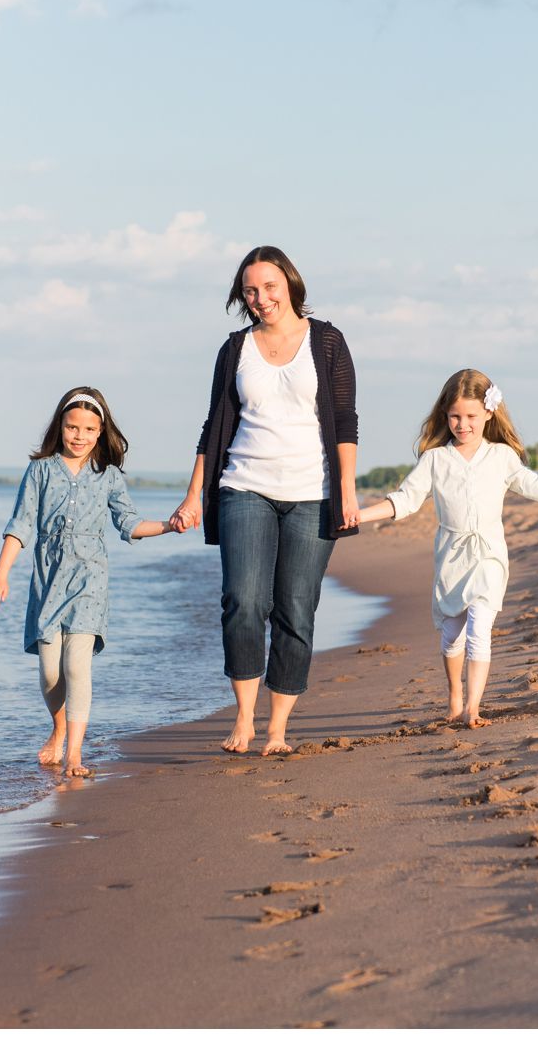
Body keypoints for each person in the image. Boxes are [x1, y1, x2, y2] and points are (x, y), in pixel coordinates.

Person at [172, 246, 359, 756]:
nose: (261, 298)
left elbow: (344, 420)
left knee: (297, 609)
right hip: (244, 486)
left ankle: (277, 728)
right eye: (250, 291)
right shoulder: (235, 349)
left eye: (269, 286)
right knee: (244, 601)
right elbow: (215, 427)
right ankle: (244, 717)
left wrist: (346, 489)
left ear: (290, 284)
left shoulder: (327, 342)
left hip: (312, 494)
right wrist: (194, 494)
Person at [0, 386, 179, 778]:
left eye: (89, 429)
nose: (79, 436)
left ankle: (74, 754)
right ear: (61, 426)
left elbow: (129, 524)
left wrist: (169, 526)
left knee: (77, 665)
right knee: (50, 671)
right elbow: (20, 524)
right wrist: (0, 574)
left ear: (100, 431)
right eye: (72, 427)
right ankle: (58, 729)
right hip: (48, 577)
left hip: (90, 578)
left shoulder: (107, 476)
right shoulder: (40, 470)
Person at [358, 369, 538, 727]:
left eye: (471, 416)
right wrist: (359, 516)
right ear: (445, 415)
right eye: (455, 416)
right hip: (451, 556)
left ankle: (473, 707)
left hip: (488, 553)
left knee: (480, 625)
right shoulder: (435, 460)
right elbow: (404, 501)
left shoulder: (501, 456)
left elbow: (536, 487)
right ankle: (455, 694)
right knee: (452, 633)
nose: (463, 424)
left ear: (489, 413)